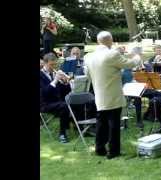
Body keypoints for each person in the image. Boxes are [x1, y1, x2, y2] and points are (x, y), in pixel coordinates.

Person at [84, 31, 142, 159]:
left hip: (99, 94)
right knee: (114, 124)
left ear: (98, 41)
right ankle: (113, 151)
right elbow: (130, 64)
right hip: (113, 94)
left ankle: (99, 148)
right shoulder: (112, 54)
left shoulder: (88, 56)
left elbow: (88, 75)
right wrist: (137, 55)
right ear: (110, 40)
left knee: (101, 122)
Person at [40, 53, 72, 143]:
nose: (53, 66)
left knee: (73, 103)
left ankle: (80, 128)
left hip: (57, 103)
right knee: (64, 106)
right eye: (51, 65)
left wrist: (65, 82)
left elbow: (65, 92)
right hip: (44, 104)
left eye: (55, 64)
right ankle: (62, 134)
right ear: (45, 63)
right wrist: (55, 80)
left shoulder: (54, 74)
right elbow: (44, 93)